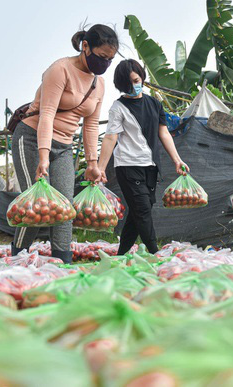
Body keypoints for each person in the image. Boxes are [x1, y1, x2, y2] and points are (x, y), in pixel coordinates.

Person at [11, 24, 118, 263]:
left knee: (65, 208)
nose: (105, 64)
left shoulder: (99, 83)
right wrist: (43, 156)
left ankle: (62, 261)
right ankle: (18, 257)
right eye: (101, 57)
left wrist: (93, 163)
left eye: (109, 60)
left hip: (64, 146)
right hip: (31, 138)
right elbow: (47, 114)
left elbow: (90, 125)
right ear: (85, 46)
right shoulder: (60, 70)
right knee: (37, 205)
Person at [97, 59, 189, 255]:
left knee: (139, 211)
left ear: (142, 77)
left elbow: (163, 133)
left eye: (136, 80)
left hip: (150, 166)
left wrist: (177, 160)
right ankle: (155, 253)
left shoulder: (155, 104)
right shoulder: (118, 107)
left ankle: (120, 256)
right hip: (128, 166)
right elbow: (111, 137)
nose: (133, 86)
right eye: (127, 84)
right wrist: (100, 168)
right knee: (143, 210)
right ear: (121, 86)